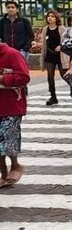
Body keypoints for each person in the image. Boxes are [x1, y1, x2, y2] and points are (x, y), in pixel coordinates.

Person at [0, 38, 29, 187]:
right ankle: (3, 172)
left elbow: (24, 77)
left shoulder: (12, 54)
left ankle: (15, 164)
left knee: (8, 136)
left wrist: (3, 78)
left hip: (11, 105)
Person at [39, 10, 64, 106]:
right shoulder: (45, 29)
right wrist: (43, 57)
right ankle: (53, 96)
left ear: (56, 18)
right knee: (50, 76)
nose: (50, 18)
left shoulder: (61, 29)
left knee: (64, 75)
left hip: (61, 55)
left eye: (52, 16)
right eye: (49, 16)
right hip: (49, 55)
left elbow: (67, 41)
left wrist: (61, 46)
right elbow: (44, 45)